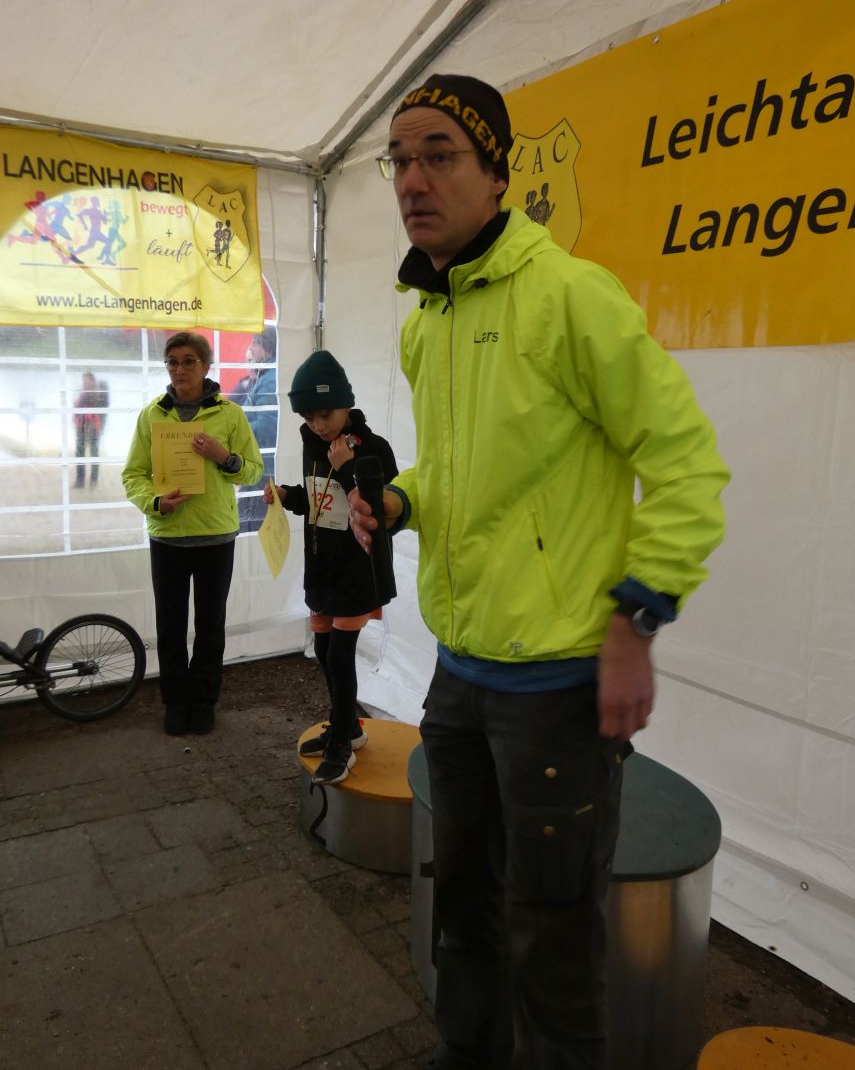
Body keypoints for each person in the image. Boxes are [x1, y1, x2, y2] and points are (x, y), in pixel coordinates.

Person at [349, 74, 729, 1070]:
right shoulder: (425, 320)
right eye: (400, 159)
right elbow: (461, 471)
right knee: (462, 906)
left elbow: (685, 463)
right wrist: (402, 500)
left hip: (557, 688)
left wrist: (634, 621)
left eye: (439, 155)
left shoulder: (569, 295)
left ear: (497, 173)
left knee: (552, 941)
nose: (413, 180)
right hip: (460, 673)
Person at [264, 349, 398, 786]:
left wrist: (347, 468)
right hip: (321, 567)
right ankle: (349, 726)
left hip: (356, 569)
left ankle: (342, 738)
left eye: (325, 414)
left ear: (346, 405)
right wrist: (288, 495)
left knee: (340, 656)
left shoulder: (373, 447)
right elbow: (317, 499)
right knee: (323, 651)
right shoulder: (313, 443)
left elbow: (381, 508)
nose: (318, 425)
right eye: (309, 417)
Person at [122, 331, 263, 737]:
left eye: (189, 361)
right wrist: (155, 502)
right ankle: (175, 702)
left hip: (216, 535)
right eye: (172, 362)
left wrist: (224, 457)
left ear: (205, 366)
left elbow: (253, 471)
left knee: (210, 625)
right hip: (167, 537)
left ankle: (203, 702)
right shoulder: (151, 415)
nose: (179, 369)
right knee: (169, 626)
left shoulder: (230, 415)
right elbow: (133, 474)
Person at [238, 326, 278, 533]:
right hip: (260, 468)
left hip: (263, 471)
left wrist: (234, 432)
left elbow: (267, 428)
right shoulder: (266, 377)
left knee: (250, 529)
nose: (251, 348)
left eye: (255, 342)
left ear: (267, 347)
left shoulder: (270, 381)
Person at [73, 371, 107, 488]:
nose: (85, 383)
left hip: (93, 425)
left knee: (94, 452)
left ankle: (93, 480)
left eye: (87, 380)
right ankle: (80, 480)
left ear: (92, 381)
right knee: (79, 452)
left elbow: (100, 411)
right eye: (84, 381)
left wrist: (99, 427)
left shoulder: (97, 393)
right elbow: (77, 408)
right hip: (81, 424)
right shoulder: (83, 392)